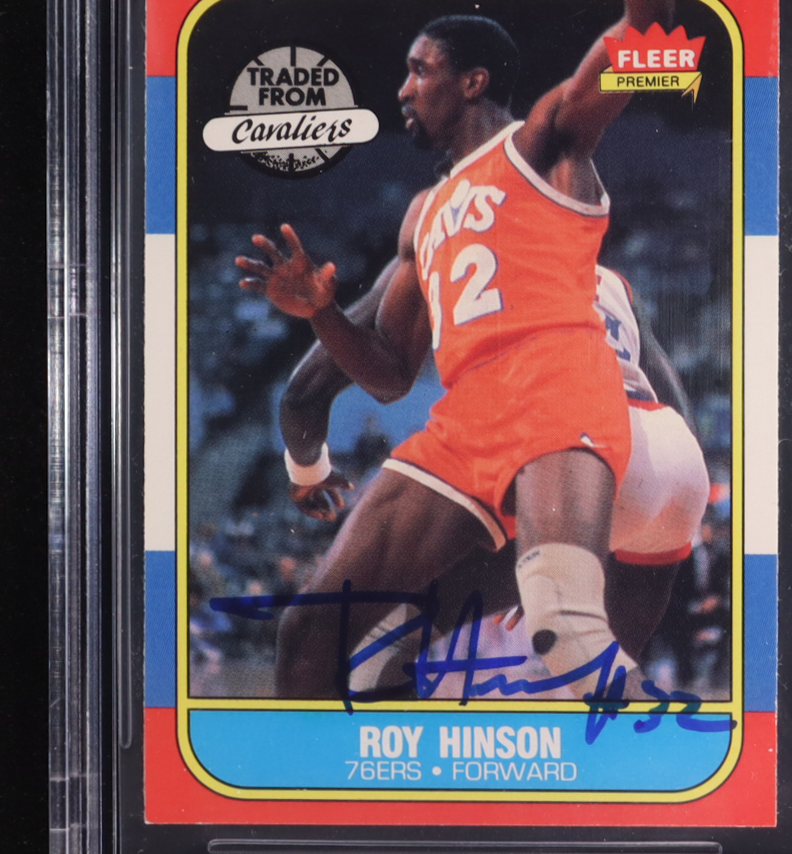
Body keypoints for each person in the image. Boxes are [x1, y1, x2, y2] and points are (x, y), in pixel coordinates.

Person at [236, 3, 672, 702]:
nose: (403, 89)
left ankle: (671, 761)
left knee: (568, 634)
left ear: (473, 83)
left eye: (420, 70)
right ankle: (312, 777)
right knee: (311, 630)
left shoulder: (541, 143)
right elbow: (388, 372)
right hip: (466, 413)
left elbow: (642, 45)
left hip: (556, 387)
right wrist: (321, 314)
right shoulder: (424, 212)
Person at [270, 258, 710, 696]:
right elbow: (674, 410)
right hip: (668, 459)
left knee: (360, 637)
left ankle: (350, 749)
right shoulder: (607, 278)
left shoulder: (441, 241)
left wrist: (307, 471)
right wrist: (570, 544)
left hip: (559, 443)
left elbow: (305, 393)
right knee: (601, 681)